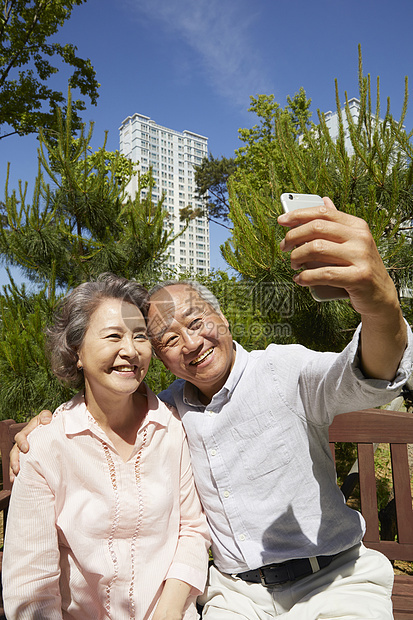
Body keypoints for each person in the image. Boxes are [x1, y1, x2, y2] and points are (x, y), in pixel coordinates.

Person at [11, 200, 413, 619]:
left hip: (334, 581)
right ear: (161, 360)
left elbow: (365, 378)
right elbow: (100, 409)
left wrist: (381, 307)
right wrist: (40, 431)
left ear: (222, 317)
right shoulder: (166, 415)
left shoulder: (281, 369)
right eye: (167, 339)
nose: (190, 343)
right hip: (236, 595)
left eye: (198, 321)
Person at [3, 274, 210, 620]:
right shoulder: (45, 447)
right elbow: (30, 585)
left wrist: (169, 613)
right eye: (113, 336)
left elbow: (191, 530)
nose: (130, 350)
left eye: (140, 337)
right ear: (76, 351)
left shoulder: (172, 429)